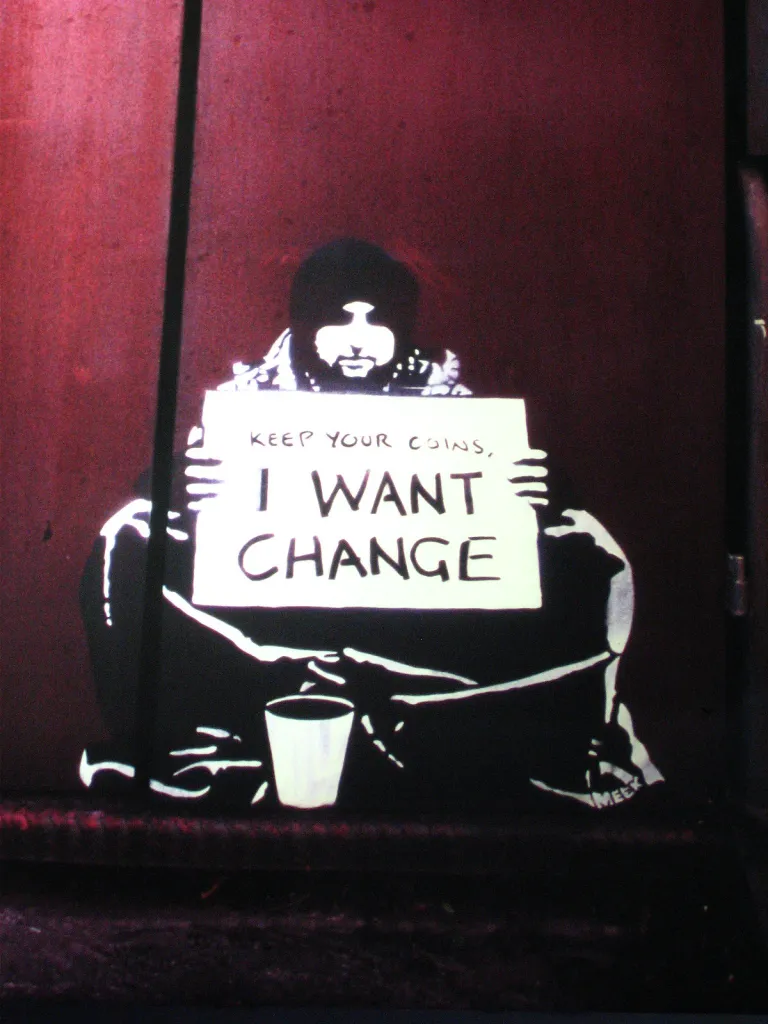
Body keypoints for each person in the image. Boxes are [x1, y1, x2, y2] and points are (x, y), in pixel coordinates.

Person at [80, 239, 662, 811]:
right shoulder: (251, 402)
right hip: (273, 631)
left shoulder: (446, 402)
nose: (358, 341)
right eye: (338, 320)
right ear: (305, 323)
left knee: (589, 550)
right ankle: (272, 720)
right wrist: (181, 483)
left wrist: (538, 491)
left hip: (413, 635)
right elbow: (166, 500)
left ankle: (425, 725)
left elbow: (501, 509)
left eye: (377, 321)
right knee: (132, 534)